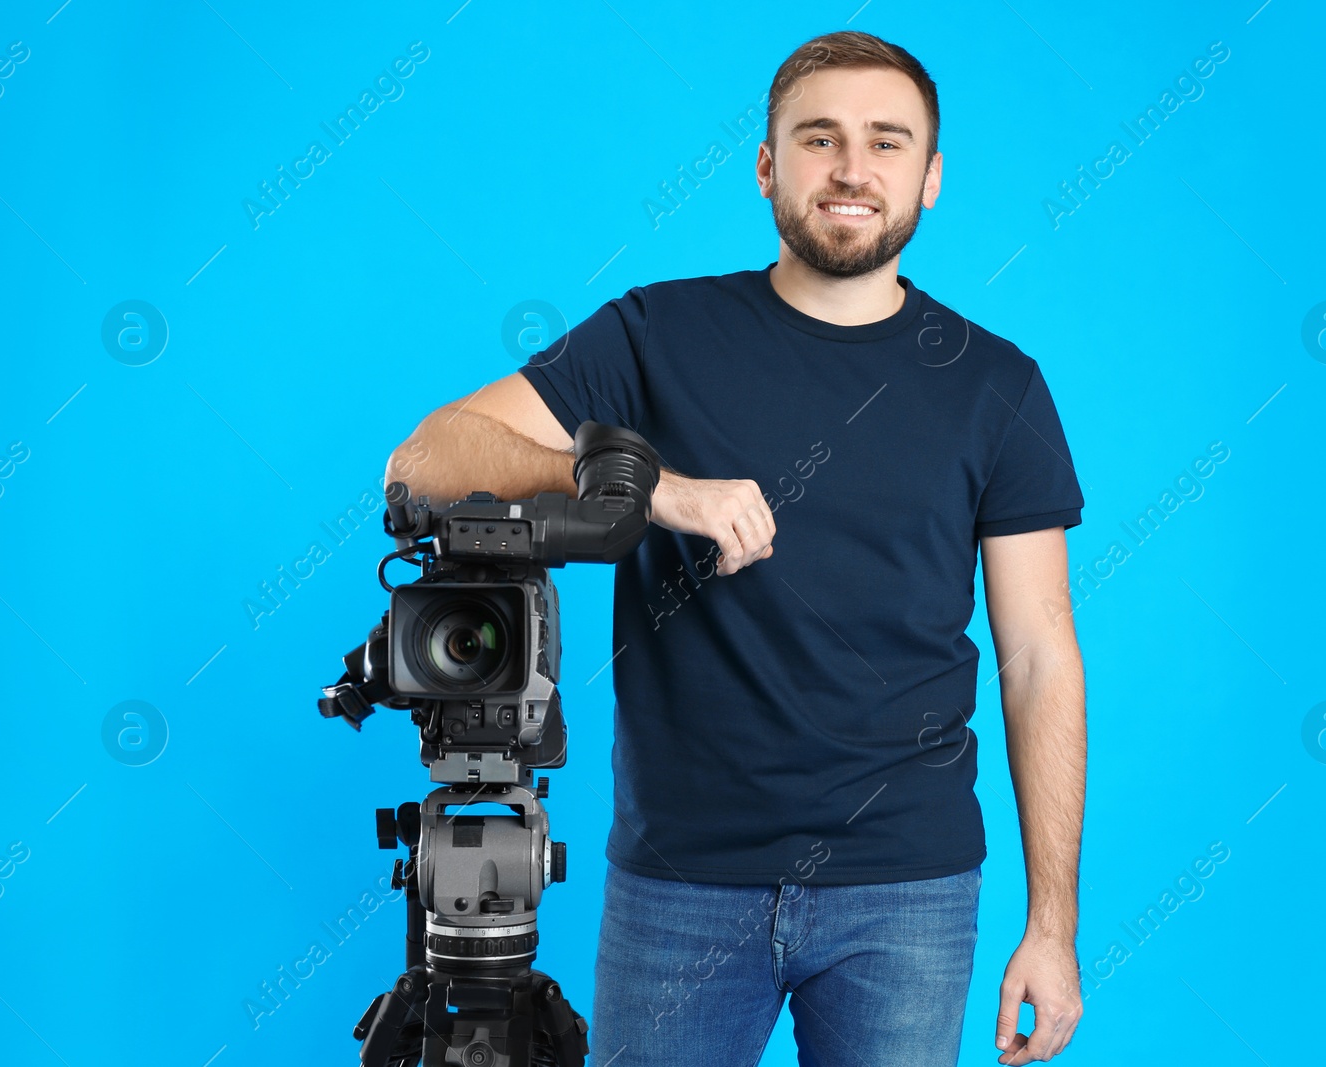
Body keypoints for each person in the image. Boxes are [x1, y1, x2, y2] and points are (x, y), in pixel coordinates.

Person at [385, 29, 1087, 1067]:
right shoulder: (654, 334)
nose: (852, 168)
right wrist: (650, 486)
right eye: (819, 138)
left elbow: (1038, 652)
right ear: (767, 166)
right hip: (680, 882)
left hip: (905, 887)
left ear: (929, 179)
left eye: (887, 143)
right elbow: (427, 454)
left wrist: (1052, 926)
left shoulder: (997, 384)